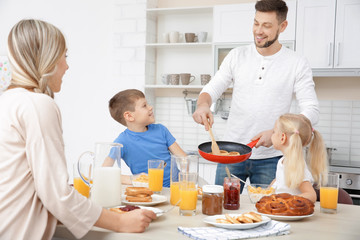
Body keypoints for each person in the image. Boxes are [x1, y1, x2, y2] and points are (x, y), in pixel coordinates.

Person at [0, 19, 156, 239]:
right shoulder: (37, 104)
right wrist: (120, 221)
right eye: (65, 56)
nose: (67, 65)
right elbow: (56, 194)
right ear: (49, 58)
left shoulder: (8, 100)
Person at [192, 0, 319, 192]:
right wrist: (203, 105)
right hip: (231, 154)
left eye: (267, 25)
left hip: (272, 157)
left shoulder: (297, 63)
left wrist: (278, 132)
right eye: (256, 23)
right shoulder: (237, 55)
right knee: (219, 207)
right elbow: (213, 88)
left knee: (268, 212)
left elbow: (311, 109)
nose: (259, 31)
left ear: (282, 26)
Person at [108, 89, 187, 187]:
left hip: (176, 188)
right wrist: (132, 179)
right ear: (129, 116)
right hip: (149, 192)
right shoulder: (121, 142)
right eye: (144, 105)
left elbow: (184, 158)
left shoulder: (161, 130)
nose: (151, 107)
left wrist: (185, 180)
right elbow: (104, 171)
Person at [270, 113, 328, 203]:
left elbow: (311, 195)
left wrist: (286, 200)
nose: (271, 135)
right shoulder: (282, 161)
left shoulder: (297, 166)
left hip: (291, 213)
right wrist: (266, 191)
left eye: (273, 132)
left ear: (282, 137)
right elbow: (279, 181)